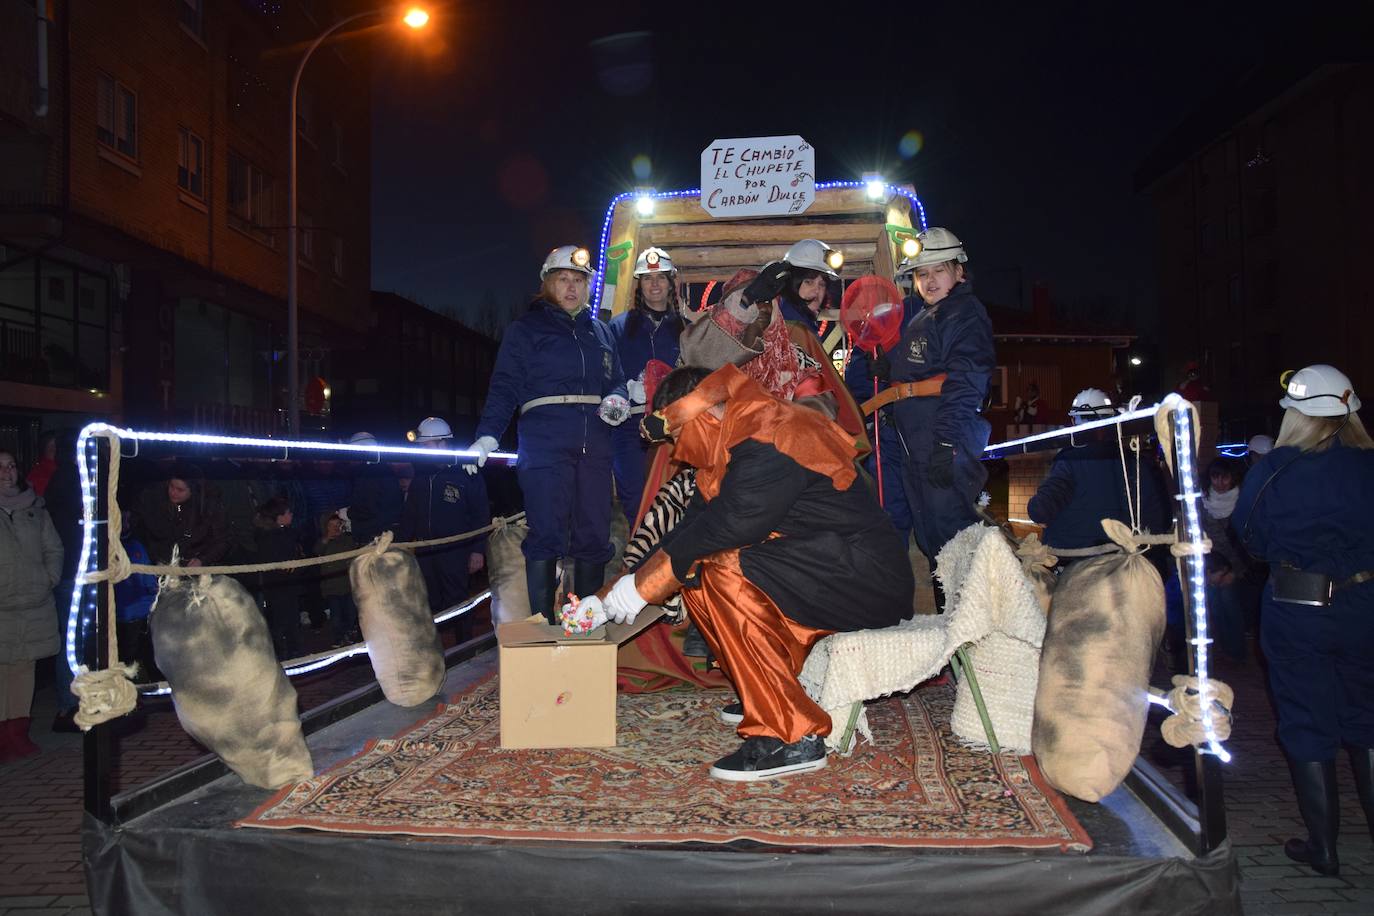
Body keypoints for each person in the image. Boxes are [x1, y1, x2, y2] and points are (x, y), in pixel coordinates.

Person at [574, 364, 913, 781]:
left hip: (867, 580)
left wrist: (641, 590)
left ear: (703, 416)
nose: (678, 451)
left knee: (722, 567)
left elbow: (730, 526)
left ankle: (792, 735)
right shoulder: (732, 448)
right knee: (695, 573)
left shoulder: (773, 435)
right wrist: (608, 597)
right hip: (825, 568)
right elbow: (684, 535)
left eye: (678, 436)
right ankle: (767, 694)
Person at [1232, 363, 1374, 877]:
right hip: (1364, 603)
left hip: (1297, 608)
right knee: (1367, 716)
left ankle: (1324, 847)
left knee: (1306, 717)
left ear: (1294, 413)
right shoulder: (1369, 465)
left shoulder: (1274, 469)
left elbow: (1249, 535)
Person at [466, 245, 629, 623]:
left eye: (579, 281)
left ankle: (585, 623)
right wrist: (488, 434)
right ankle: (542, 625)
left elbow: (616, 379)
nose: (572, 287)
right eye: (563, 279)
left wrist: (618, 397)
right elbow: (505, 385)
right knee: (546, 530)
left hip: (595, 441)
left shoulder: (601, 333)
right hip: (544, 441)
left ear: (588, 287)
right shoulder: (525, 330)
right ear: (546, 284)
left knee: (594, 533)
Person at [879, 227, 995, 609]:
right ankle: (951, 624)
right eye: (921, 273)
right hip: (920, 443)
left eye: (938, 271)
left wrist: (946, 441)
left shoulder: (963, 313)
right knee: (933, 538)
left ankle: (972, 626)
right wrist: (890, 369)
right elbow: (923, 368)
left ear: (959, 271)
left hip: (943, 438)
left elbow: (967, 379)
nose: (928, 281)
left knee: (952, 536)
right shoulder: (930, 315)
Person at [1027, 388, 1168, 552]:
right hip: (1128, 556)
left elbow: (1040, 510)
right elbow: (1162, 519)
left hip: (1072, 557)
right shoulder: (1138, 462)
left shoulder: (1068, 460)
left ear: (1074, 421)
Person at [608, 247, 683, 524]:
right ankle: (639, 549)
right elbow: (604, 374)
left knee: (673, 500)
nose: (655, 284)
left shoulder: (686, 330)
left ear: (671, 283)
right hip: (630, 426)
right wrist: (623, 391)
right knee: (636, 500)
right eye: (648, 278)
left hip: (674, 427)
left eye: (661, 277)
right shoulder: (618, 327)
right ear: (639, 284)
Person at [399, 417, 490, 638]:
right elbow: (410, 514)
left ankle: (464, 648)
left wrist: (478, 551)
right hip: (426, 552)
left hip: (455, 551)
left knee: (458, 602)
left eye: (426, 445)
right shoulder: (421, 474)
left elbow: (481, 514)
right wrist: (397, 545)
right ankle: (436, 650)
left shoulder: (466, 471)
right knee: (430, 602)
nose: (422, 450)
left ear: (442, 443)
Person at [0, 450, 63, 762]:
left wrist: (48, 578)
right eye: (0, 467)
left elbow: (53, 547)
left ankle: (17, 730)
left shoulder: (35, 508)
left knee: (24, 668)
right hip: (3, 606)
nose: (7, 473)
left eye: (11, 466)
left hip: (33, 602)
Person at [136, 467, 229, 568]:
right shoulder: (154, 501)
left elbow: (222, 541)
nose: (173, 492)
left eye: (180, 490)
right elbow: (142, 533)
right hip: (158, 565)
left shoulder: (209, 508)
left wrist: (202, 560)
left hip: (193, 566)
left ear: (192, 490)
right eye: (171, 486)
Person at [254, 497, 302, 659]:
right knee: (280, 621)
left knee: (292, 619)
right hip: (276, 586)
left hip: (289, 584)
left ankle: (295, 651)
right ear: (279, 517)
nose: (291, 515)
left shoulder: (287, 532)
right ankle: (283, 655)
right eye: (288, 512)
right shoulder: (267, 537)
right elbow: (271, 560)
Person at [345, 432, 405, 546]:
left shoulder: (370, 474)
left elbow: (367, 509)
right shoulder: (381, 470)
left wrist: (347, 513)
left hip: (373, 537)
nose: (349, 458)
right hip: (382, 534)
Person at [776, 238, 841, 337]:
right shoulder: (791, 324)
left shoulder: (802, 321)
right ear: (792, 282)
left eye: (822, 284)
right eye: (809, 282)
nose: (817, 290)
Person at [316, 513, 359, 647]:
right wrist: (326, 539)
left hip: (348, 585)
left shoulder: (347, 540)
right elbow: (316, 551)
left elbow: (354, 554)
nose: (335, 528)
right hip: (332, 587)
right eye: (331, 525)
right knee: (336, 616)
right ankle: (338, 638)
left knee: (351, 613)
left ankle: (349, 634)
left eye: (338, 525)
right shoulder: (323, 542)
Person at [27, 432, 58, 497]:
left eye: (56, 446)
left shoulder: (66, 469)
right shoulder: (37, 473)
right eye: (51, 447)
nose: (54, 449)